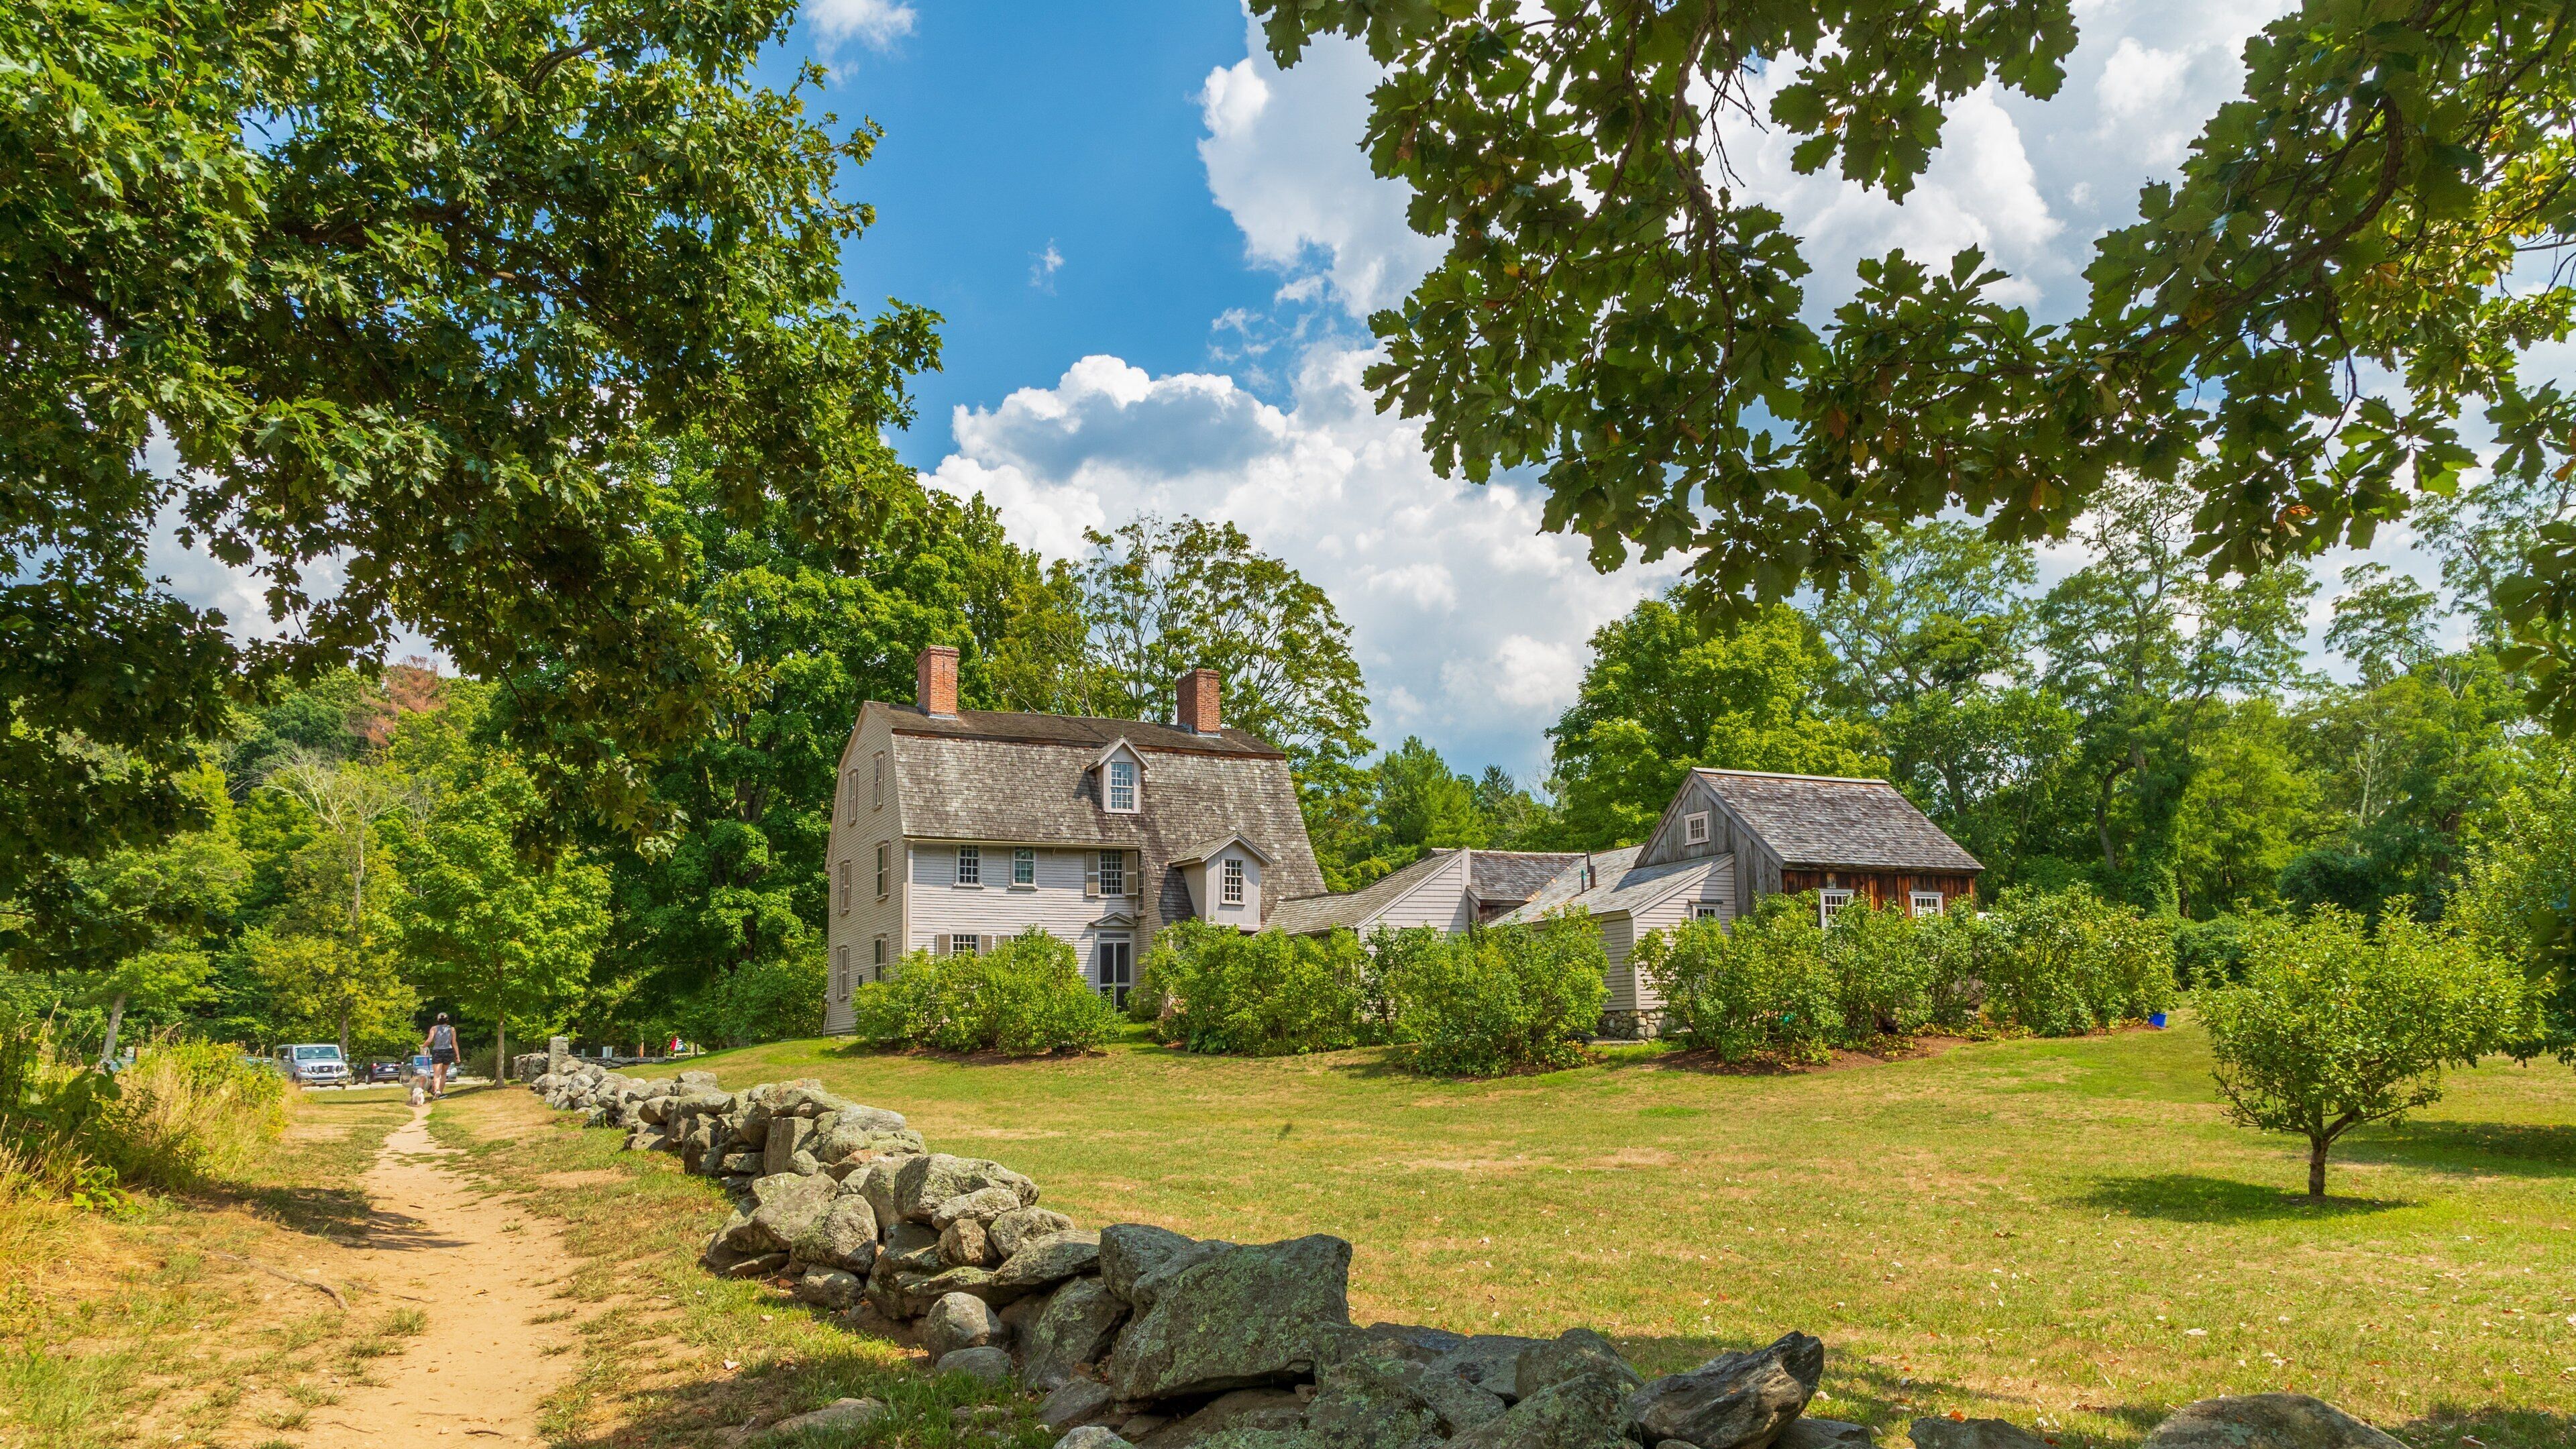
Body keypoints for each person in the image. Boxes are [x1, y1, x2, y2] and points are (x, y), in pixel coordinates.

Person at [421, 1013, 458, 1098]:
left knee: (437, 1074)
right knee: (444, 1073)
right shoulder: (452, 1029)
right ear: (447, 1020)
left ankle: (436, 1090)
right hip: (448, 1051)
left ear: (438, 1020)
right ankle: (440, 1093)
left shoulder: (434, 1028)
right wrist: (458, 1055)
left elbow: (429, 1040)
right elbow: (454, 1043)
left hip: (437, 1051)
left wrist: (423, 1046)